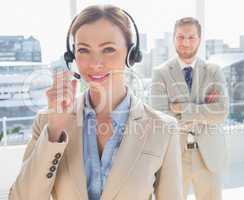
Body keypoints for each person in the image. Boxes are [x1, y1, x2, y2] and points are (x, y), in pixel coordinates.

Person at [9, 5, 183, 200]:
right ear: (72, 55)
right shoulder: (47, 123)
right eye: (83, 50)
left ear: (131, 55)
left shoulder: (163, 129)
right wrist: (55, 131)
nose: (95, 63)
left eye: (108, 49)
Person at [151, 17, 229, 200]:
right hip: (174, 156)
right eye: (180, 37)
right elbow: (161, 119)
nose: (185, 42)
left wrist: (183, 109)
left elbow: (221, 112)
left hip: (209, 156)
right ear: (173, 39)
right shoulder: (160, 73)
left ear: (199, 39)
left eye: (191, 37)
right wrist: (203, 111)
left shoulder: (214, 71)